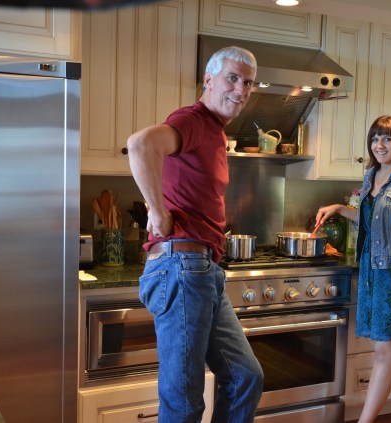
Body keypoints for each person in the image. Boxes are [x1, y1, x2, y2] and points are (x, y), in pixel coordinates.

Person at [126, 46, 264, 423]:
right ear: (208, 80)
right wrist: (157, 211)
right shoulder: (194, 119)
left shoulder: (214, 131)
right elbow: (140, 145)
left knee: (245, 377)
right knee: (184, 400)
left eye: (248, 83)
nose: (241, 89)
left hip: (202, 271)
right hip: (182, 266)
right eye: (232, 78)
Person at [315, 116, 391, 423]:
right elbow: (372, 221)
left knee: (384, 355)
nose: (379, 145)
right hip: (372, 272)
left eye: (387, 139)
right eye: (375, 138)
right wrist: (339, 209)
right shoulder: (371, 175)